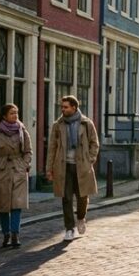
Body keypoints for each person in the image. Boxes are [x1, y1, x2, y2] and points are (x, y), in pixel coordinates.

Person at [47, 95, 99, 242]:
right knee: (66, 198)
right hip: (63, 166)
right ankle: (69, 228)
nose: (62, 109)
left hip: (82, 166)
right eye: (61, 107)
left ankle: (81, 217)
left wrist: (90, 159)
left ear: (74, 108)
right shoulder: (58, 125)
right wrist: (49, 168)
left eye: (65, 107)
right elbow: (52, 148)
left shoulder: (86, 123)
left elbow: (94, 143)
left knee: (83, 196)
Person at [0, 104, 32, 248]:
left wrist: (24, 165)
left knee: (17, 205)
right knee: (3, 205)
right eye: (12, 113)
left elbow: (28, 151)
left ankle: (15, 235)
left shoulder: (22, 131)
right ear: (4, 115)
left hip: (18, 170)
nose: (15, 116)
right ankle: (5, 233)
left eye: (17, 113)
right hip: (1, 170)